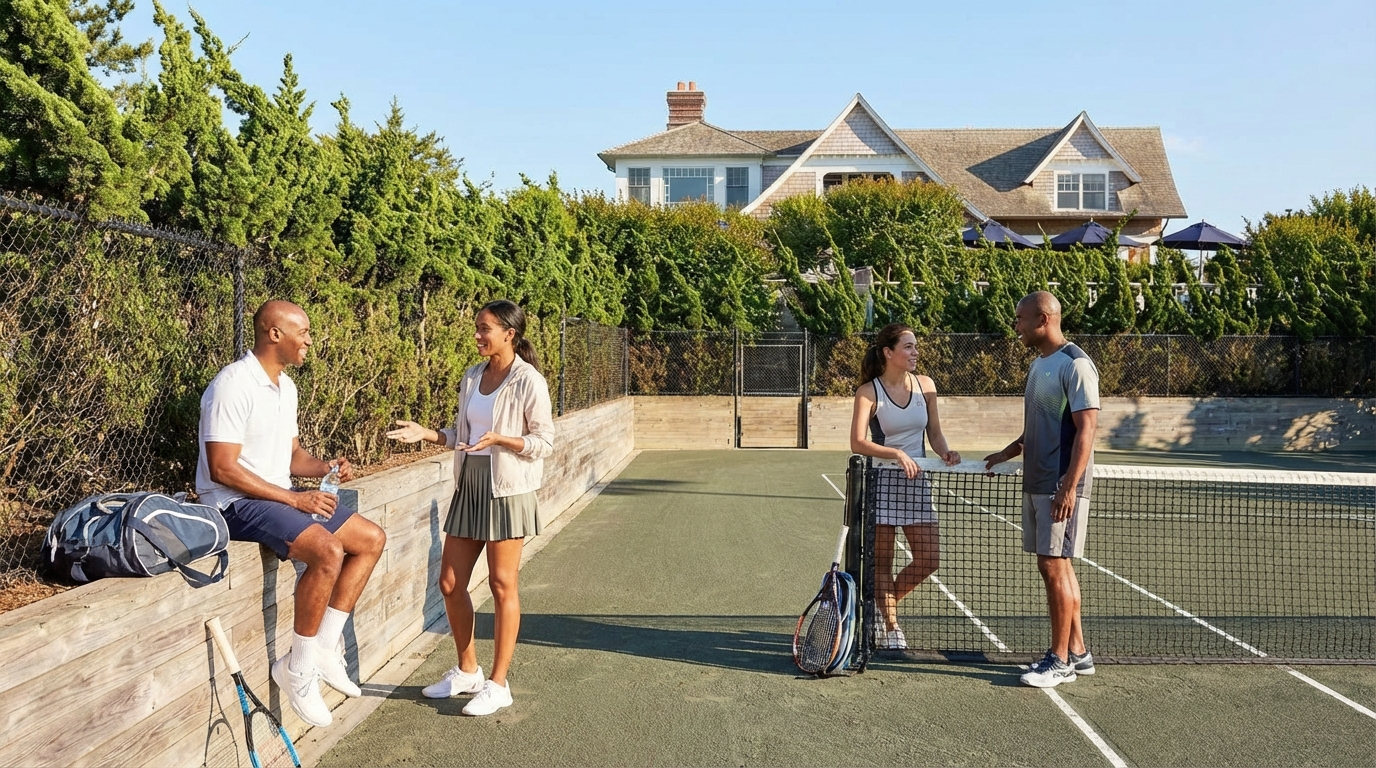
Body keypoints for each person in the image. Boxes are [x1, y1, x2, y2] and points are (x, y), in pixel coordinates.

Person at [197, 301, 387, 727]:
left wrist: (323, 468)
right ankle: (297, 667)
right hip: (232, 504)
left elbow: (292, 454)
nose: (309, 340)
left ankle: (323, 647)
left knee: (371, 539)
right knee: (327, 550)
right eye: (302, 331)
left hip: (274, 495)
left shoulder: (287, 387)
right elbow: (222, 468)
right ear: (274, 333)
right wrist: (295, 500)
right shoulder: (232, 384)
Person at [386, 299, 554, 717]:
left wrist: (503, 440)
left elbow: (544, 442)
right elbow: (461, 434)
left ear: (509, 334)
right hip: (471, 487)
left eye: (485, 329)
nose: (477, 336)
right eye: (477, 328)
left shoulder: (528, 380)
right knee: (449, 582)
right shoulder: (472, 375)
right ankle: (468, 671)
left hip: (507, 490)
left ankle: (499, 684)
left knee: (501, 586)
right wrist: (426, 433)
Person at [983, 291, 1100, 688]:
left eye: (1020, 318)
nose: (1015, 325)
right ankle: (1079, 652)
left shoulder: (1076, 365)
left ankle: (1060, 659)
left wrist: (1069, 486)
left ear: (1044, 318)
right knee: (1055, 565)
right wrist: (1008, 451)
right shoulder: (1039, 367)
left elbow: (1087, 430)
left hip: (1058, 484)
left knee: (1054, 566)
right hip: (1036, 480)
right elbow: (1038, 421)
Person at [849, 323, 960, 650]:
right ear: (889, 352)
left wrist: (945, 452)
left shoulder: (926, 386)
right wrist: (896, 453)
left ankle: (878, 608)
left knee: (929, 559)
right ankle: (891, 625)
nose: (915, 352)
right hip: (881, 483)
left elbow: (935, 434)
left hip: (916, 483)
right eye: (908, 347)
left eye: (915, 347)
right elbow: (857, 442)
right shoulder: (868, 392)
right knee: (881, 563)